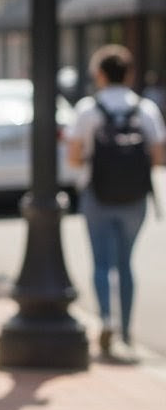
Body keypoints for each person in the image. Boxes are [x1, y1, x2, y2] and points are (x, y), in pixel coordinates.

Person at [67, 44, 165, 356]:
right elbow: (158, 157)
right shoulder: (145, 109)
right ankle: (125, 330)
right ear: (129, 73)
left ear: (100, 75)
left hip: (96, 194)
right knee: (125, 263)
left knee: (101, 262)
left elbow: (73, 156)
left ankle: (106, 318)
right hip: (135, 197)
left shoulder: (87, 109)